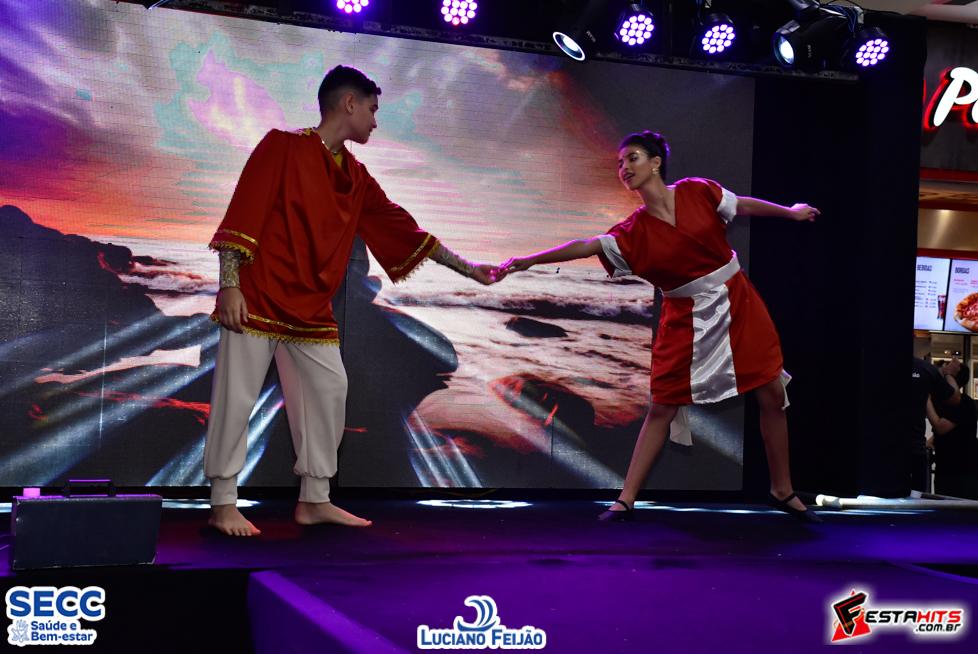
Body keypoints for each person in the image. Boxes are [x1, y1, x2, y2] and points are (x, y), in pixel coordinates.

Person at [204, 65, 502, 536]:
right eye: (372, 109)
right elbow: (243, 210)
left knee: (330, 388)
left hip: (310, 307)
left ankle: (314, 499)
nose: (375, 121)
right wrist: (230, 284)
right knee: (236, 397)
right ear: (349, 103)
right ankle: (223, 504)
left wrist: (470, 269)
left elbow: (403, 228)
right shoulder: (282, 146)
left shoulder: (357, 177)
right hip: (258, 296)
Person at [502, 131, 821, 523]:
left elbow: (741, 204)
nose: (624, 167)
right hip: (683, 318)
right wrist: (530, 260)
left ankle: (782, 491)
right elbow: (586, 245)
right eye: (619, 163)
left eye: (632, 158)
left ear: (656, 163)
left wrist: (791, 212)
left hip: (737, 302)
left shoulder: (696, 190)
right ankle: (625, 500)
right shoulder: (631, 232)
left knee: (771, 393)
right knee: (662, 406)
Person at [925, 361, 978, 499]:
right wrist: (932, 440)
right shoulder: (942, 403)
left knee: (963, 507)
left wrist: (926, 399)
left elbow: (940, 427)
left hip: (963, 472)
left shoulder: (963, 403)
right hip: (945, 469)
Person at [912, 355, 960, 493]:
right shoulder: (924, 369)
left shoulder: (963, 405)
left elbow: (939, 427)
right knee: (916, 497)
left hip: (954, 468)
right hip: (918, 451)